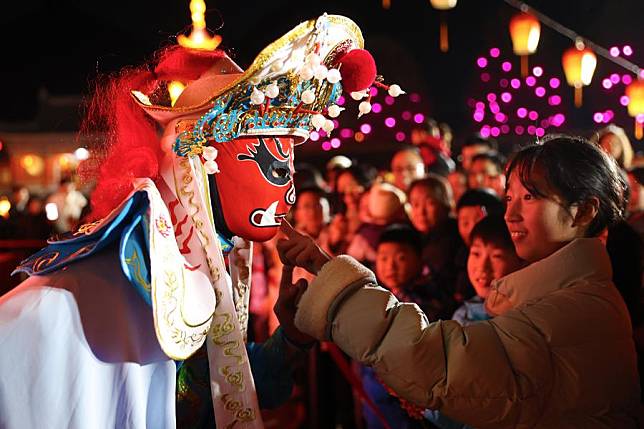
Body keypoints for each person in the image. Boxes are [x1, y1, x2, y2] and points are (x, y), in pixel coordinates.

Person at [0, 14, 381, 428]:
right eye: (274, 166)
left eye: (291, 168)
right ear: (201, 163)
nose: (289, 189)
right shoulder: (117, 278)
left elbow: (225, 388)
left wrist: (291, 337)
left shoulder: (210, 250)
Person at [277, 135, 640, 427]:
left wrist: (331, 278)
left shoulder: (572, 310)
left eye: (530, 197)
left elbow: (439, 363)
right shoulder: (567, 293)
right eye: (509, 196)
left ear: (585, 211)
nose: (510, 214)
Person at [451, 215, 524, 326]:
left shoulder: (526, 316)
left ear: (522, 261)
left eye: (497, 256)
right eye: (476, 253)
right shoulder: (462, 316)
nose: (482, 267)